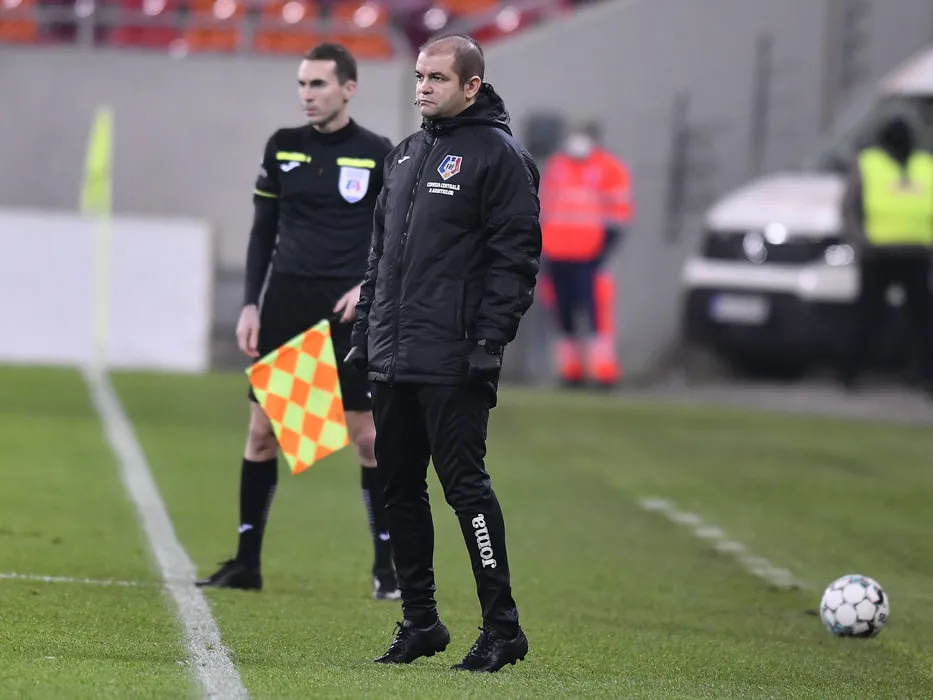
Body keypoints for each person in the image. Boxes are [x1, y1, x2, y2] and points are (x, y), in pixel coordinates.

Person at [344, 34, 541, 672]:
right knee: (398, 487)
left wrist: (488, 341)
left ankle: (503, 628)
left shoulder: (501, 158)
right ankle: (421, 621)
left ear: (471, 86)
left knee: (464, 488)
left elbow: (516, 260)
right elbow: (380, 259)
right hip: (393, 356)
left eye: (436, 78)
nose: (423, 87)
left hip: (455, 358)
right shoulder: (404, 156)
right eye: (419, 77)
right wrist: (365, 332)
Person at [195, 43, 401, 601]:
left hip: (349, 313)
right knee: (263, 433)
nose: (307, 95)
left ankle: (387, 571)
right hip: (287, 305)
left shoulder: (377, 153)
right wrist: (250, 303)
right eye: (302, 84)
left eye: (318, 84)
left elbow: (395, 236)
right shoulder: (283, 146)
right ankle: (247, 563)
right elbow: (262, 230)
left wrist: (369, 287)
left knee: (369, 439)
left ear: (348, 89)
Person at [839, 115, 933, 392]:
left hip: (916, 254)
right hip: (878, 255)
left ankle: (924, 375)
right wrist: (860, 242)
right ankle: (849, 373)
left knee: (922, 320)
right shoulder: (869, 164)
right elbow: (850, 208)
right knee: (867, 317)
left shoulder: (925, 165)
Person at [538, 121, 633, 388]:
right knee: (562, 313)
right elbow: (544, 208)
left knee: (596, 314)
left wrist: (604, 252)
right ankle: (571, 372)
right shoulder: (557, 167)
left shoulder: (610, 169)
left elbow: (618, 215)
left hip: (591, 256)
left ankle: (603, 372)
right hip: (556, 253)